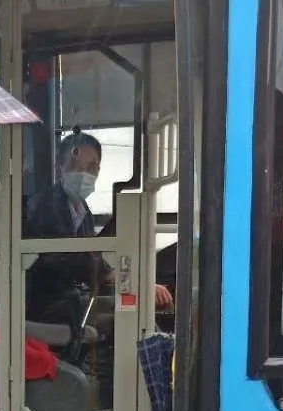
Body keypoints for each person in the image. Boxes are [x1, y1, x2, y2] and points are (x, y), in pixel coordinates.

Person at [23, 130, 172, 330]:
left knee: (137, 307)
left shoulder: (83, 211)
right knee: (129, 317)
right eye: (75, 166)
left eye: (91, 167)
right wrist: (139, 283)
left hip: (70, 300)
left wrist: (138, 282)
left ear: (98, 171)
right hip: (47, 305)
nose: (83, 174)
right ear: (59, 168)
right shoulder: (45, 207)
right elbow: (75, 263)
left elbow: (93, 263)